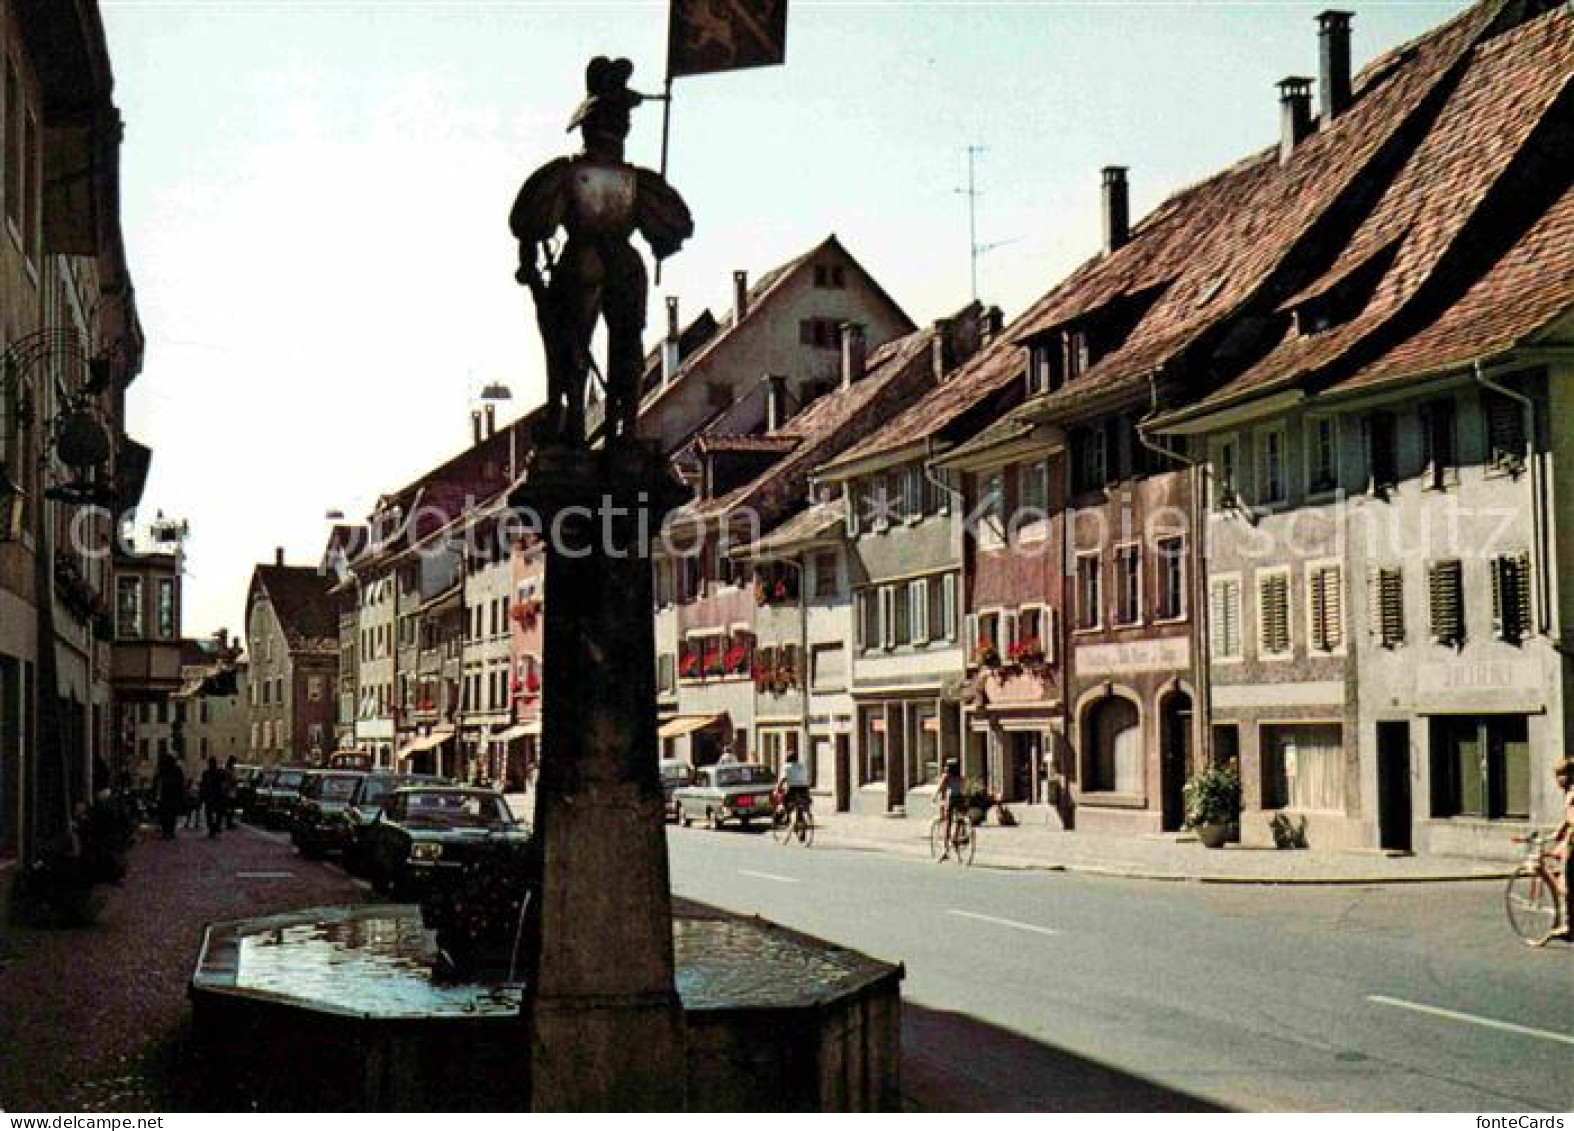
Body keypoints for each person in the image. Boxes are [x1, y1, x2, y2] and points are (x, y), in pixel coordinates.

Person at [1549, 758, 1574, 938]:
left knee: (1567, 881)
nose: (1558, 779)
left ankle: (1568, 924)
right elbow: (1568, 819)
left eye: (1560, 775)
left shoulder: (1572, 794)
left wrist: (1565, 837)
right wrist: (1559, 831)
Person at [934, 758, 967, 861]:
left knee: (947, 822)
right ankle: (956, 836)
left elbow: (940, 787)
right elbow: (963, 787)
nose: (945, 768)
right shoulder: (960, 777)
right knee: (959, 819)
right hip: (960, 798)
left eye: (946, 766)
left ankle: (945, 850)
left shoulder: (946, 776)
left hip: (951, 798)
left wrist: (934, 797)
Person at [154, 753, 185, 840]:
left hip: (168, 796)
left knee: (167, 814)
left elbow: (157, 781)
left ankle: (168, 831)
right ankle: (169, 832)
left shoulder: (165, 770)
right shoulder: (172, 770)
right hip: (168, 796)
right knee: (169, 815)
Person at [776, 752, 811, 827]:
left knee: (784, 799)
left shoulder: (786, 766)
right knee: (801, 801)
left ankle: (787, 816)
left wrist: (777, 788)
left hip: (793, 788)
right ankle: (801, 817)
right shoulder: (802, 766)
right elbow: (806, 776)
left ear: (787, 759)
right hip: (804, 788)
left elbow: (782, 779)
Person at [199, 757, 227, 839]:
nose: (211, 765)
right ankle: (212, 829)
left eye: (213, 763)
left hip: (217, 796)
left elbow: (222, 782)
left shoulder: (218, 772)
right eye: (211, 763)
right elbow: (203, 785)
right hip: (211, 796)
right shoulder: (207, 773)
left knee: (217, 813)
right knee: (210, 814)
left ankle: (215, 828)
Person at [223, 756, 240, 830]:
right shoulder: (228, 770)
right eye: (234, 762)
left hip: (230, 790)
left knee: (231, 808)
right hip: (229, 791)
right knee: (230, 807)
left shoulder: (229, 769)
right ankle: (229, 823)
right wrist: (236, 781)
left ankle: (229, 822)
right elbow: (232, 780)